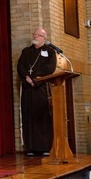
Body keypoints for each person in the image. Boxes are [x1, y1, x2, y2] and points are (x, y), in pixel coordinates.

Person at [17, 27, 57, 156]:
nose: (35, 37)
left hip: (41, 88)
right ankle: (31, 148)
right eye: (34, 34)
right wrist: (27, 78)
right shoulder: (26, 51)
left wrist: (35, 79)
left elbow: (50, 68)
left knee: (42, 116)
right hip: (27, 88)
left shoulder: (50, 51)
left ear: (44, 38)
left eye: (38, 35)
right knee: (28, 116)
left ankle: (44, 146)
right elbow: (20, 66)